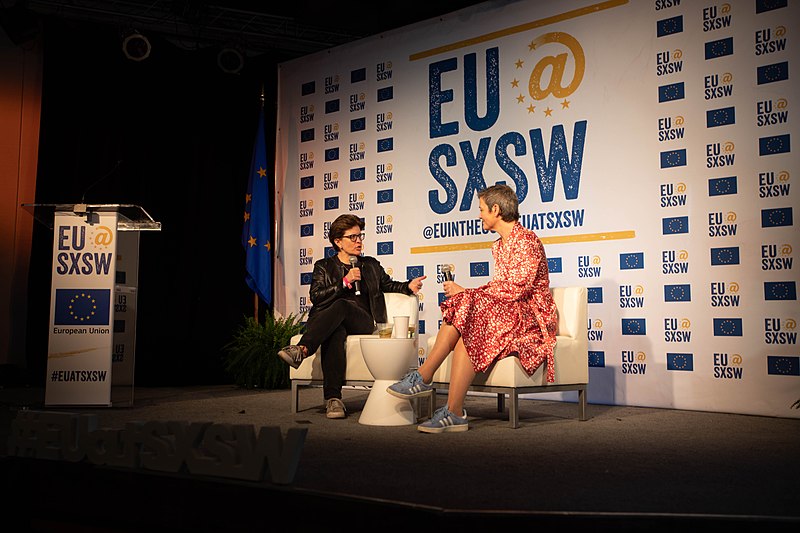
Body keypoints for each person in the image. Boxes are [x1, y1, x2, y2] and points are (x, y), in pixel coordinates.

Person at [387, 184, 557, 433]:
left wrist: (468, 294)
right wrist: (469, 295)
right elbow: (500, 288)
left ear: (496, 210)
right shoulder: (498, 245)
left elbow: (517, 290)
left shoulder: (526, 241)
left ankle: (424, 377)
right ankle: (452, 410)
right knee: (470, 318)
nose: (479, 215)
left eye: (481, 209)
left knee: (468, 306)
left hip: (530, 315)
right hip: (508, 309)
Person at [278, 213, 426, 419]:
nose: (358, 241)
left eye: (360, 236)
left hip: (362, 321)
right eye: (353, 237)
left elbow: (389, 285)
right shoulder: (324, 266)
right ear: (338, 241)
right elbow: (316, 297)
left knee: (342, 305)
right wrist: (344, 282)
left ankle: (302, 349)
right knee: (335, 332)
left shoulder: (370, 265)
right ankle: (333, 399)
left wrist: (407, 286)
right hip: (331, 321)